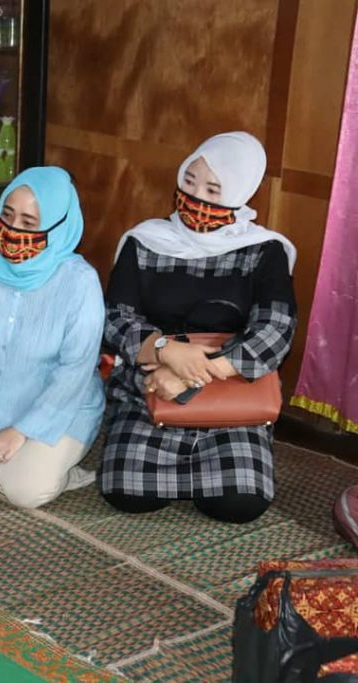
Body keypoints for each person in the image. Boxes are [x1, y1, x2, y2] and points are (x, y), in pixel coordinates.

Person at [100, 131, 297, 523]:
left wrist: (193, 375)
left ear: (241, 191)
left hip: (230, 393)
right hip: (151, 387)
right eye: (189, 182)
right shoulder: (145, 241)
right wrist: (165, 352)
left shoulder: (264, 250)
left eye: (213, 189)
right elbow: (116, 316)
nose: (196, 197)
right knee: (128, 494)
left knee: (239, 504)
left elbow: (275, 329)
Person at [0, 167, 105, 508]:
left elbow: (74, 370)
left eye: (29, 223)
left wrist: (21, 431)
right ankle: (25, 463)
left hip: (59, 407)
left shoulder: (80, 282)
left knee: (25, 491)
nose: (13, 230)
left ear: (58, 226)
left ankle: (59, 468)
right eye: (7, 215)